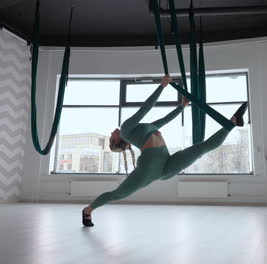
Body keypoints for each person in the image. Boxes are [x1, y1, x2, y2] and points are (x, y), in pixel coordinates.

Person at [82, 74, 248, 226]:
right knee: (118, 194)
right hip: (148, 169)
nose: (111, 133)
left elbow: (164, 120)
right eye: (111, 138)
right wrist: (162, 86)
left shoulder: (144, 128)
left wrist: (181, 107)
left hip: (166, 165)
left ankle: (233, 121)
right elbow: (145, 109)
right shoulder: (126, 129)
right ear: (118, 141)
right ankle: (88, 210)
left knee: (200, 149)